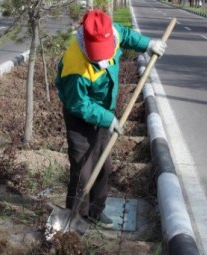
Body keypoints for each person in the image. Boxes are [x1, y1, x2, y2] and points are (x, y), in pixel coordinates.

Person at [55, 9, 166, 229]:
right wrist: (109, 118)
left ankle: (96, 211)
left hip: (105, 113)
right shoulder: (75, 65)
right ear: (86, 43)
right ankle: (77, 217)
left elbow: (125, 35)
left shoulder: (112, 33)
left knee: (104, 163)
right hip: (80, 117)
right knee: (83, 168)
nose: (104, 57)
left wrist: (147, 44)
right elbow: (77, 103)